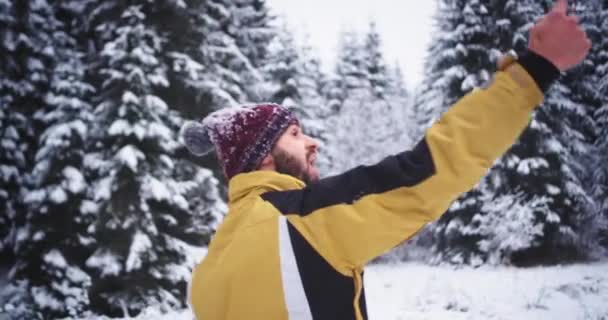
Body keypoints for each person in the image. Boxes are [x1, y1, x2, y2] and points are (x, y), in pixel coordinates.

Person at [182, 0, 591, 319]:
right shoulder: (304, 222)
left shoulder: (207, 275)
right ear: (261, 155)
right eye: (293, 134)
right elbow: (429, 168)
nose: (313, 142)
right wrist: (536, 69)